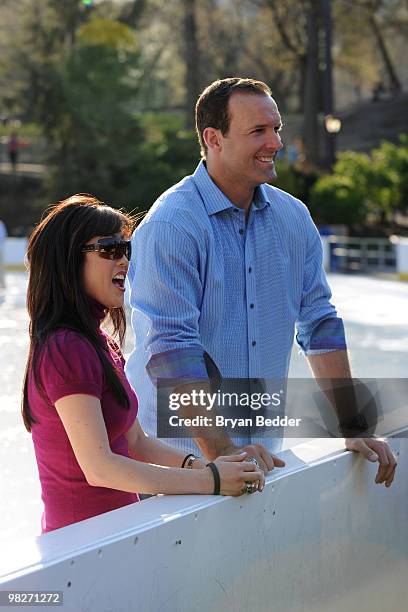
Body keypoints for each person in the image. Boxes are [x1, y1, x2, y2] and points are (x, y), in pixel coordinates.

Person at [125, 77, 397, 487]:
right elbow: (172, 353)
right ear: (214, 139)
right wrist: (224, 455)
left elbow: (319, 323)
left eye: (276, 128)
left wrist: (351, 422)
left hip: (266, 460)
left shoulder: (294, 218)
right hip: (181, 471)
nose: (276, 143)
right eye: (258, 131)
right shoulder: (172, 225)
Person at [22, 195, 265, 534]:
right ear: (68, 259)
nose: (124, 259)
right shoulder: (66, 348)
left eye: (127, 249)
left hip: (117, 537)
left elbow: (136, 442)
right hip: (82, 549)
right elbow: (99, 467)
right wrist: (211, 480)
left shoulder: (98, 343)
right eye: (109, 249)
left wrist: (205, 464)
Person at [0, 218, 7, 289]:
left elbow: (3, 237)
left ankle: (2, 284)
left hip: (0, 249)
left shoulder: (1, 224)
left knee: (1, 267)